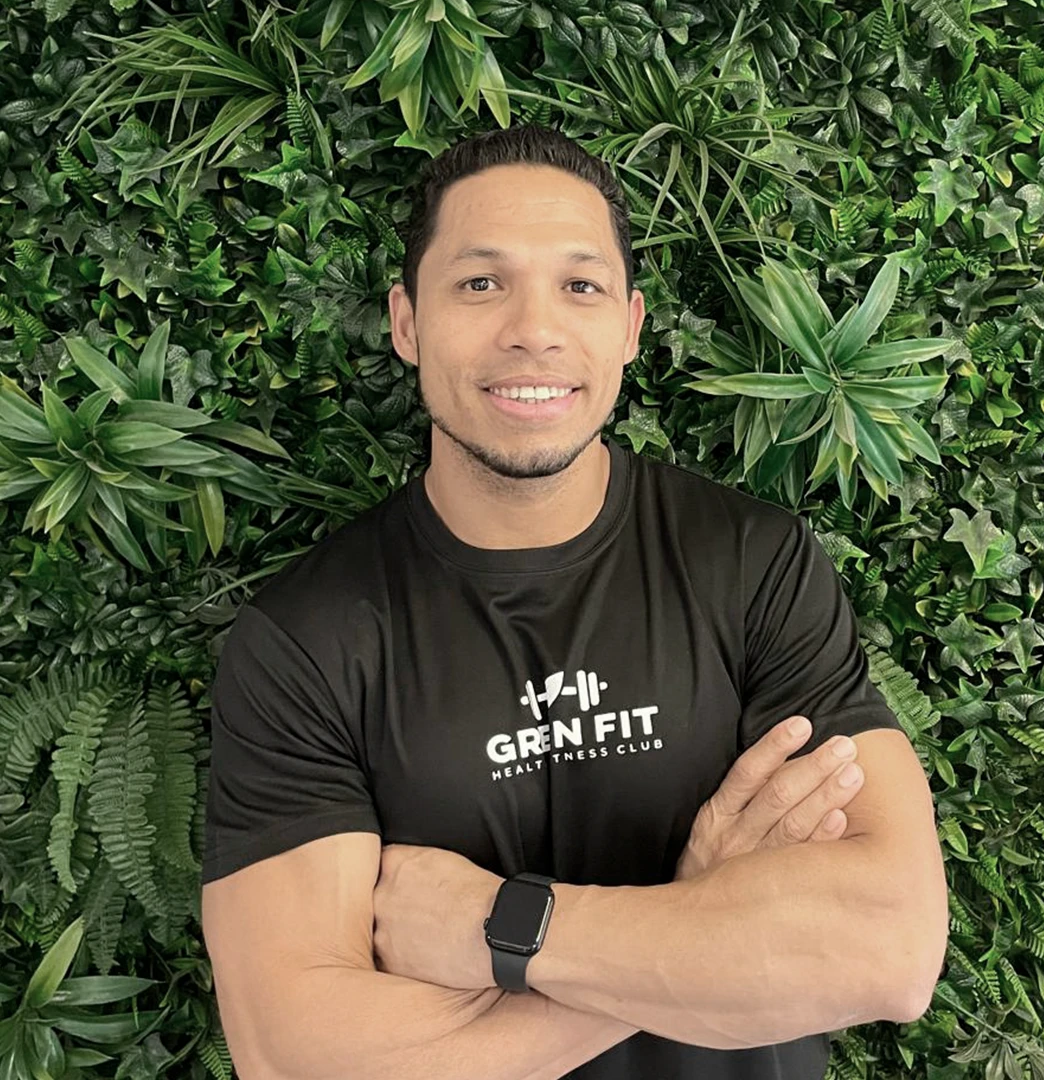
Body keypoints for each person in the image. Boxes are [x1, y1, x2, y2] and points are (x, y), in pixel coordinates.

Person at [200, 124, 948, 1079]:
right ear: (407, 322)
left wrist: (502, 927)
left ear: (629, 327)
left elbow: (889, 954)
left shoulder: (750, 561)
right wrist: (697, 905)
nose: (534, 329)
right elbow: (296, 1057)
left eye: (580, 286)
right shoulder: (307, 639)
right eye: (481, 283)